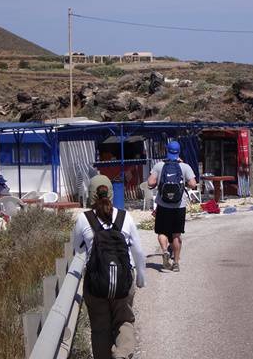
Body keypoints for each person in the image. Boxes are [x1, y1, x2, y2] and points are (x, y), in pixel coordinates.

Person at [74, 175, 146, 359]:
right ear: (111, 194)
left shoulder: (83, 219)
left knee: (100, 329)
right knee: (124, 322)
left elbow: (77, 250)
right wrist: (140, 277)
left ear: (90, 195)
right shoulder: (125, 217)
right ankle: (122, 354)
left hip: (96, 283)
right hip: (123, 281)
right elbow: (138, 251)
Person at [147, 140, 197, 272]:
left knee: (162, 232)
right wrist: (183, 184)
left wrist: (157, 183)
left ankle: (165, 251)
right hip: (179, 205)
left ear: (167, 151)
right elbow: (193, 184)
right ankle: (175, 263)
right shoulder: (185, 167)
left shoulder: (159, 165)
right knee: (176, 235)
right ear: (179, 152)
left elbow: (150, 182)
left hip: (163, 205)